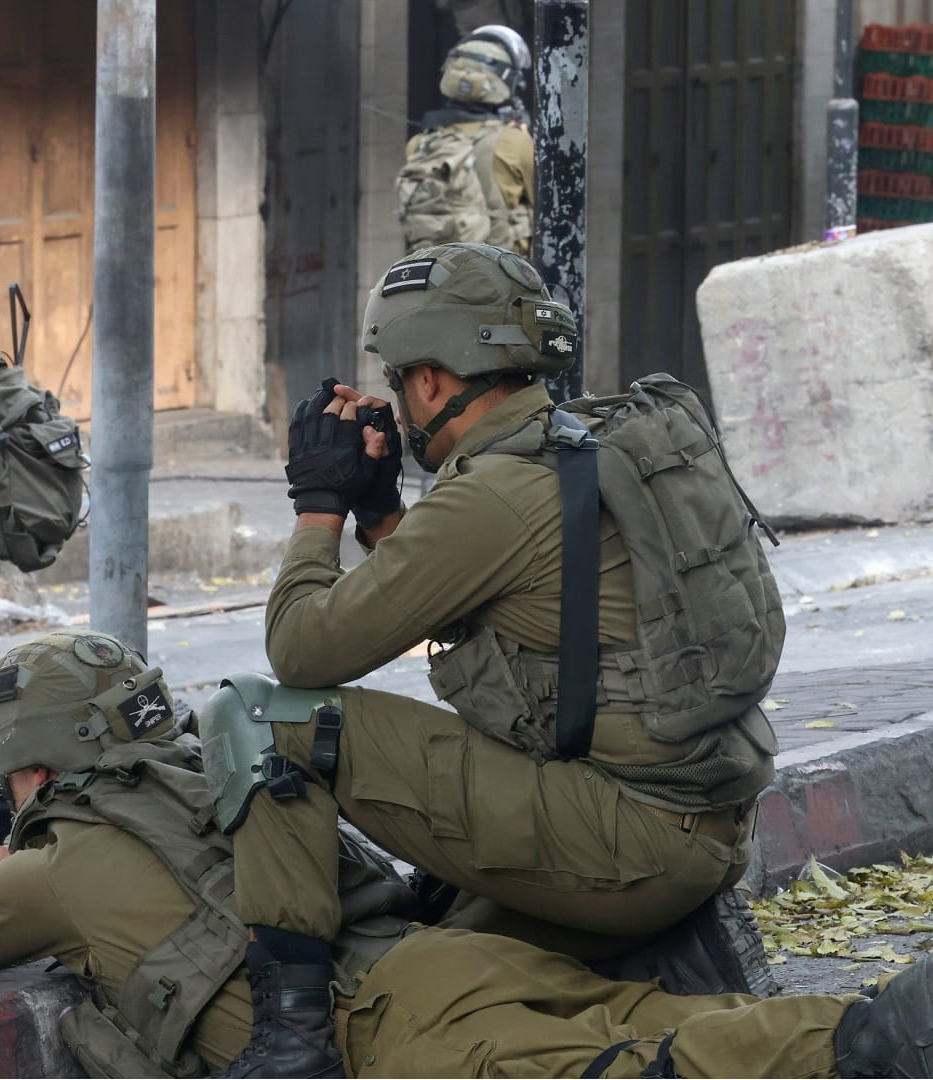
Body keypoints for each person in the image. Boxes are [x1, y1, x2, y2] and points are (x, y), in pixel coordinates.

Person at [0, 631, 933, 1080]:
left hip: (383, 1029)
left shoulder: (52, 861)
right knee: (695, 1033)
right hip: (446, 959)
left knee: (650, 1078)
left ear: (37, 769)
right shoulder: (217, 782)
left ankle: (914, 1035)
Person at [197, 241, 788, 1073]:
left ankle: (293, 1044)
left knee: (262, 718)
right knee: (433, 955)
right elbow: (486, 630)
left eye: (401, 381)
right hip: (699, 827)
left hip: (627, 838)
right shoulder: (583, 447)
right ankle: (660, 963)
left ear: (434, 380)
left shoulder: (491, 498)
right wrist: (380, 520)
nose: (401, 405)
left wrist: (317, 509)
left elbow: (301, 652)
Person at [398, 24, 535, 256]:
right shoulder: (514, 142)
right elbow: (551, 210)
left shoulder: (420, 144)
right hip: (503, 284)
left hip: (436, 280)